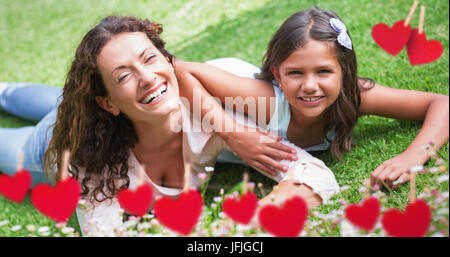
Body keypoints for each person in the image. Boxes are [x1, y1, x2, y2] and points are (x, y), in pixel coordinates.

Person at [0, 15, 339, 236]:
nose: (148, 78)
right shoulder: (92, 158)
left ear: (168, 61)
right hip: (50, 145)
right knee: (30, 132)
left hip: (103, 110)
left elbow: (314, 174)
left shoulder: (209, 112)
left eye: (149, 59)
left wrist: (251, 222)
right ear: (108, 101)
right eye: (124, 75)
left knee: (64, 99)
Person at [175, 7, 449, 190]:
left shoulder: (353, 97)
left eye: (323, 71)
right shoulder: (267, 100)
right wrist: (234, 134)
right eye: (295, 73)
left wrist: (413, 156)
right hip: (195, 99)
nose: (309, 85)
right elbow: (178, 68)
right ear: (277, 75)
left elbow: (441, 104)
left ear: (344, 72)